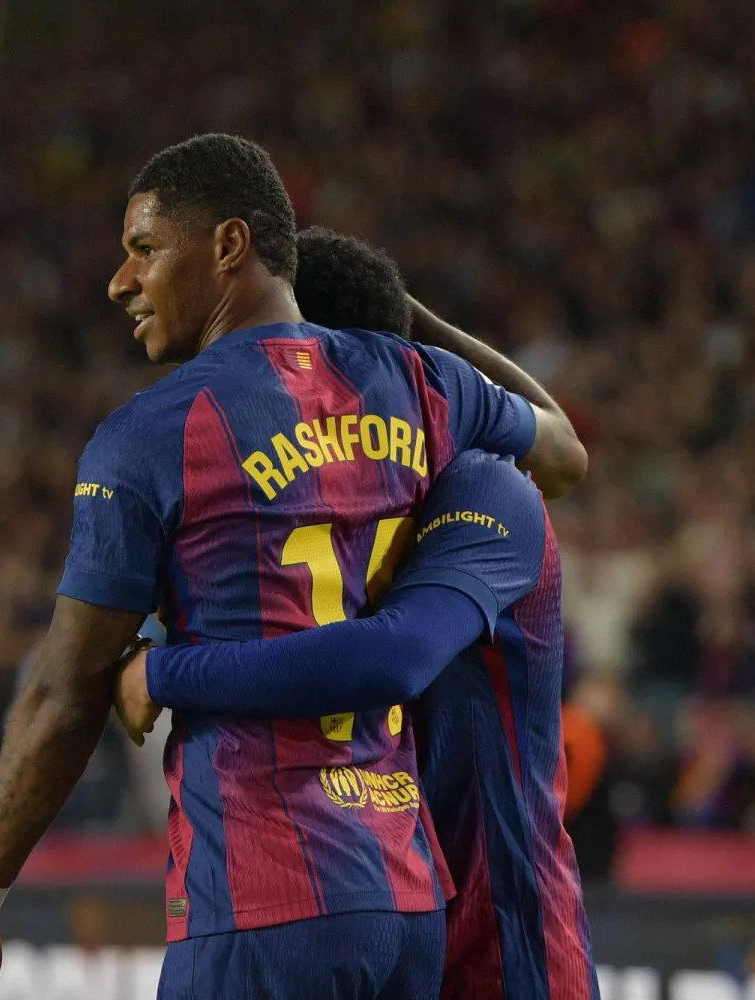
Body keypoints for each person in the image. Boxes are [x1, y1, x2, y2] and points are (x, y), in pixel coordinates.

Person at [0, 135, 587, 1000]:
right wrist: (407, 315)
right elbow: (563, 447)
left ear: (231, 246)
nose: (120, 282)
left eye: (143, 249)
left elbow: (63, 694)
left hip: (265, 900)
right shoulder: (421, 386)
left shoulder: (150, 434)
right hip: (406, 895)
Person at [115, 234, 597, 999]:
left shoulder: (484, 489)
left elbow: (393, 655)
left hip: (508, 943)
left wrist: (167, 671)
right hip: (399, 912)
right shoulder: (334, 508)